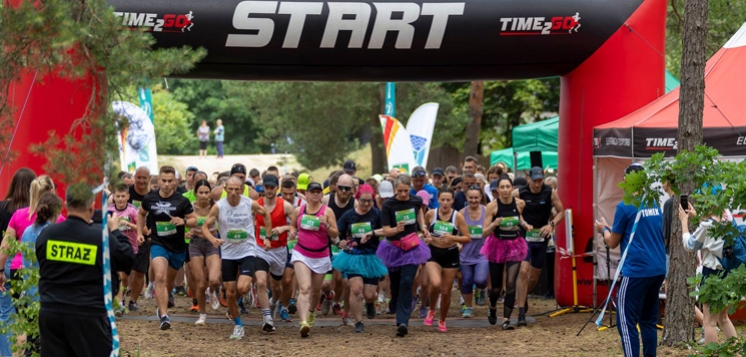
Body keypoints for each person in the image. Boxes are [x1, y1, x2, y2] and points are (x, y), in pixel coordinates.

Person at [34, 183, 135, 357]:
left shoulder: (47, 235)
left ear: (65, 205)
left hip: (51, 312)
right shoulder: (100, 238)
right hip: (88, 314)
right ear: (91, 206)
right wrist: (116, 231)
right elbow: (127, 259)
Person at [594, 164, 666, 357]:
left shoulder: (624, 206)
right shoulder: (653, 203)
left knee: (625, 321)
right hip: (657, 268)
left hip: (636, 271)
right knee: (649, 321)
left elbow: (612, 242)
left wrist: (603, 229)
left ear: (627, 180)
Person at [202, 176, 272, 338]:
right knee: (231, 293)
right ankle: (238, 325)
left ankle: (248, 289)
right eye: (230, 189)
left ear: (241, 190)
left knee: (242, 288)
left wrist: (268, 237)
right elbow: (205, 226)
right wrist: (213, 240)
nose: (233, 193)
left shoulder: (249, 203)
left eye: (237, 189)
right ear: (225, 189)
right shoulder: (219, 206)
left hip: (247, 250)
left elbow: (266, 214)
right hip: (227, 253)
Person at [137, 166, 198, 330]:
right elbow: (141, 213)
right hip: (158, 244)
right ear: (158, 181)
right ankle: (164, 316)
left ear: (175, 182)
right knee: (160, 277)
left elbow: (194, 220)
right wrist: (139, 233)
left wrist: (183, 222)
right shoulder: (150, 198)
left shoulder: (182, 201)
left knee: (169, 281)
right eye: (163, 181)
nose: (166, 184)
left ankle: (162, 303)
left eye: (170, 181)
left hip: (177, 247)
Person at [377, 174, 431, 337]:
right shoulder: (389, 205)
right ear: (395, 190)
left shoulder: (415, 201)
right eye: (399, 191)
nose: (402, 194)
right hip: (393, 248)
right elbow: (385, 230)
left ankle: (402, 321)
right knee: (395, 283)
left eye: (405, 191)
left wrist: (423, 227)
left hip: (411, 247)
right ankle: (393, 300)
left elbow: (420, 212)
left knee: (407, 281)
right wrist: (395, 230)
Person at [678, 200, 737, 345]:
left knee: (709, 322)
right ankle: (737, 353)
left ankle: (713, 354)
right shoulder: (728, 216)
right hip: (730, 272)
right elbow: (713, 226)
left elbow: (690, 245)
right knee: (723, 318)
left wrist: (684, 222)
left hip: (712, 274)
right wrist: (696, 216)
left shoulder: (706, 225)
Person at [333, 184, 388, 333]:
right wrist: (340, 242)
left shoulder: (377, 214)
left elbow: (387, 230)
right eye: (363, 200)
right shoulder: (349, 215)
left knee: (369, 294)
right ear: (357, 199)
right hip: (353, 256)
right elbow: (337, 232)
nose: (366, 204)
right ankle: (359, 322)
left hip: (371, 257)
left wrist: (373, 233)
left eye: (369, 201)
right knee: (356, 289)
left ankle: (370, 303)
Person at [290, 182, 340, 338]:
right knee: (304, 287)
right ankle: (303, 322)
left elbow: (335, 234)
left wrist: (326, 225)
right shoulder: (299, 210)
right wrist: (292, 233)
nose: (316, 194)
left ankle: (311, 313)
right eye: (313, 192)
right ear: (307, 194)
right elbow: (293, 226)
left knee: (316, 291)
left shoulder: (327, 211)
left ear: (321, 194)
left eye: (318, 192)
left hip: (320, 255)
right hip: (301, 253)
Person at [515, 166, 564, 314]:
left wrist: (551, 225)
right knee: (523, 271)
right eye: (534, 181)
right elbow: (510, 208)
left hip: (541, 238)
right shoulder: (519, 192)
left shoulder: (550, 193)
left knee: (534, 278)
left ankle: (522, 296)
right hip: (525, 235)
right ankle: (521, 309)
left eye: (540, 181)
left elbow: (561, 212)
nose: (537, 184)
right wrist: (522, 222)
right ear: (528, 178)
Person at [482, 175, 528, 330]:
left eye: (508, 186)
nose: (505, 190)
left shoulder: (520, 203)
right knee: (496, 287)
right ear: (497, 189)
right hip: (497, 245)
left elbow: (519, 217)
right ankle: (493, 306)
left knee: (510, 283)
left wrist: (524, 224)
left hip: (515, 244)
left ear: (512, 187)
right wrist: (494, 224)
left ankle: (506, 320)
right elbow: (484, 232)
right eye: (502, 187)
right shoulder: (492, 206)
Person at [423, 188, 470, 332]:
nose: (445, 203)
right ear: (438, 200)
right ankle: (431, 310)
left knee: (446, 291)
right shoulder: (431, 214)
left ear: (453, 201)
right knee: (435, 283)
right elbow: (424, 231)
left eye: (448, 200)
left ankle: (442, 320)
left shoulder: (458, 217)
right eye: (442, 200)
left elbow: (467, 238)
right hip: (434, 253)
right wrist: (427, 237)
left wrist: (453, 238)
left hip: (451, 254)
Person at [254, 174, 295, 328]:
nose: (270, 190)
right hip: (261, 248)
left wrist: (284, 228)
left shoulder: (285, 206)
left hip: (279, 250)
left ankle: (272, 303)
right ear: (263, 188)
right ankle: (267, 318)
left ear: (277, 188)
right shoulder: (256, 205)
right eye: (267, 187)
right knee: (261, 281)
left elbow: (295, 225)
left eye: (272, 187)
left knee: (276, 287)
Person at [186, 180, 221, 325]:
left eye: (206, 192)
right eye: (201, 192)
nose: (204, 195)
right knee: (200, 283)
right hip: (195, 244)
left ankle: (212, 291)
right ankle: (202, 314)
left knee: (214, 280)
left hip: (212, 243)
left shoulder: (216, 207)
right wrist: (185, 233)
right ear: (195, 193)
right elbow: (182, 222)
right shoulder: (190, 207)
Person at [321, 174, 356, 319]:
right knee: (325, 284)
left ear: (352, 190)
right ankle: (329, 295)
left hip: (344, 246)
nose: (343, 191)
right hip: (326, 244)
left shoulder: (355, 204)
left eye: (346, 188)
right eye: (340, 188)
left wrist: (349, 241)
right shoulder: (326, 200)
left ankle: (336, 303)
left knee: (342, 279)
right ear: (335, 187)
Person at [107, 183, 139, 317]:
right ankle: (119, 304)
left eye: (123, 196)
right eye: (118, 196)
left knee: (125, 277)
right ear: (113, 197)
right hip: (114, 247)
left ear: (128, 196)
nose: (120, 199)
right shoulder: (109, 210)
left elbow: (142, 228)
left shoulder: (132, 210)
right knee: (119, 275)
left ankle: (122, 295)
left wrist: (129, 224)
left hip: (130, 248)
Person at [459, 186, 489, 317]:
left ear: (481, 197)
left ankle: (481, 289)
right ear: (466, 197)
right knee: (466, 281)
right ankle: (469, 307)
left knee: (481, 280)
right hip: (466, 254)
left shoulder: (487, 211)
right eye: (471, 197)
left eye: (476, 197)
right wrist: (457, 243)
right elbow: (457, 233)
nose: (473, 200)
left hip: (482, 253)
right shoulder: (461, 213)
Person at [129, 167, 153, 309]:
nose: (141, 181)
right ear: (134, 177)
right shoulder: (127, 192)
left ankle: (133, 300)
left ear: (149, 178)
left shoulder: (153, 196)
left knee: (139, 271)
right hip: (125, 237)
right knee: (123, 271)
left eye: (144, 178)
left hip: (144, 238)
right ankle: (119, 299)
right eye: (139, 177)